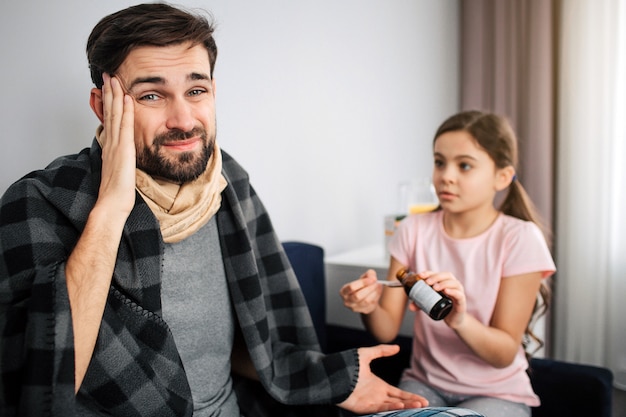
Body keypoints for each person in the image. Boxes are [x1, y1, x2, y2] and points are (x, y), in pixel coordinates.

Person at [0, 4, 490, 417]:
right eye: (152, 95)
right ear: (104, 106)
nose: (184, 119)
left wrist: (333, 380)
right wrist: (111, 208)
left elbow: (241, 348)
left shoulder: (227, 182)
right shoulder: (38, 204)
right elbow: (43, 386)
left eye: (197, 89)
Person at [340, 110, 556, 417]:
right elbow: (385, 330)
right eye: (439, 162)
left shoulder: (520, 238)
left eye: (464, 165)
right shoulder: (412, 230)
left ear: (502, 177)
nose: (446, 175)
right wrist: (368, 306)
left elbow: (505, 353)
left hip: (497, 392)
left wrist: (459, 320)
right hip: (424, 384)